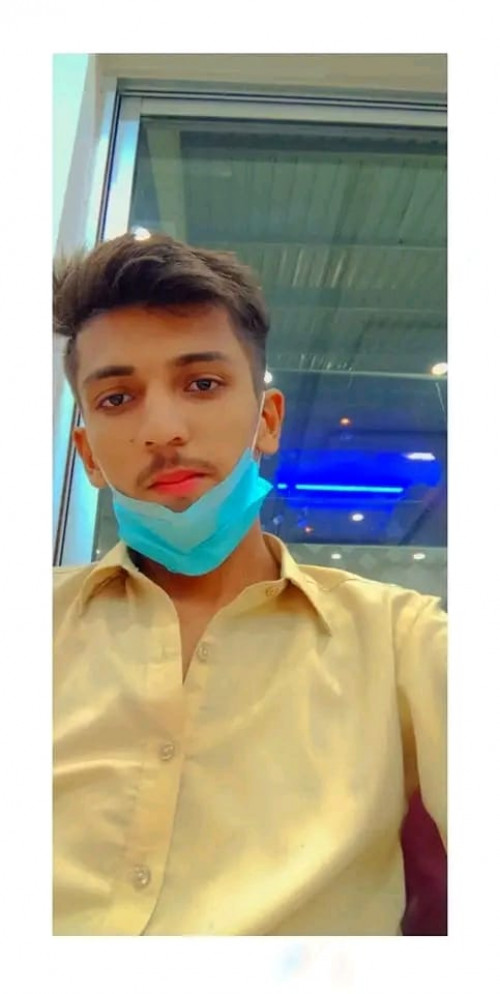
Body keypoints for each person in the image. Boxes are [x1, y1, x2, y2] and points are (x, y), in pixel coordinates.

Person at [53, 233, 447, 936]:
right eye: (116, 398)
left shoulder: (401, 639)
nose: (163, 429)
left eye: (202, 385)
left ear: (267, 421)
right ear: (86, 454)